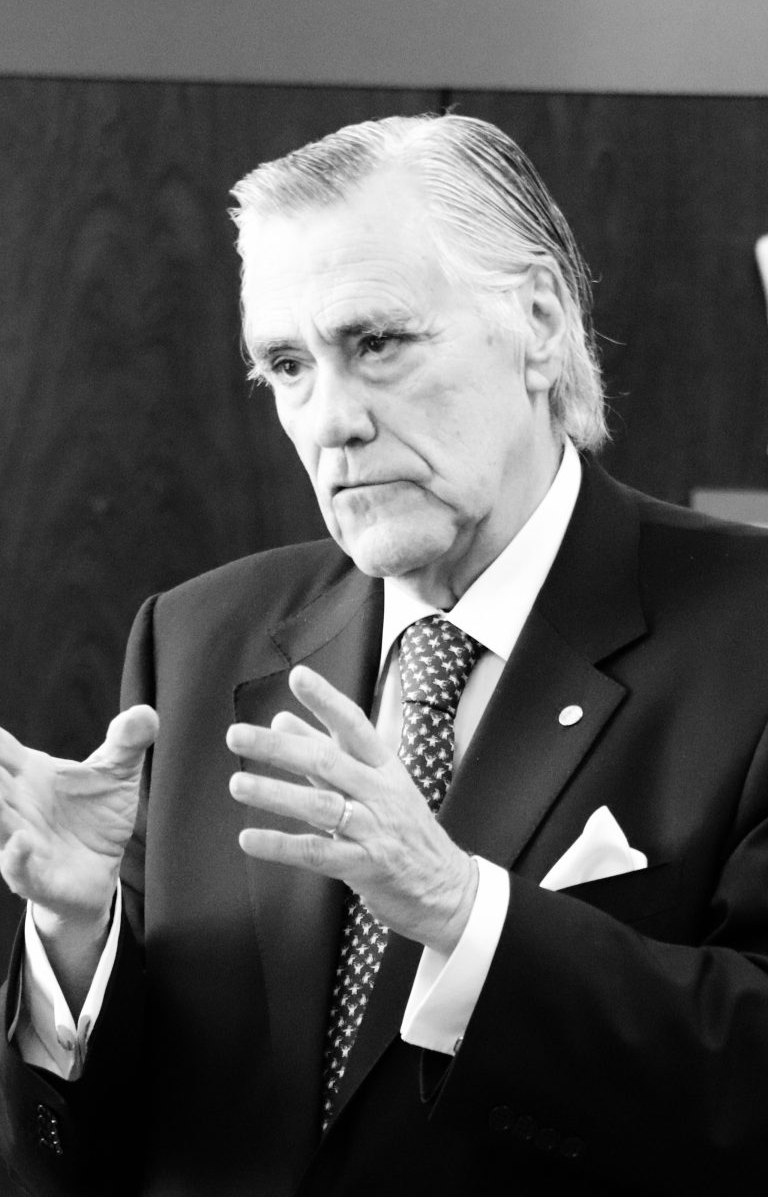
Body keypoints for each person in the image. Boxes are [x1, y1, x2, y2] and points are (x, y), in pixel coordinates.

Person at [1, 113, 768, 1197]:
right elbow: (123, 1139)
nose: (332, 422)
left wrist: (466, 912)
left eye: (376, 343)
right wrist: (76, 939)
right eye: (287, 365)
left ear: (540, 322)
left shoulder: (749, 630)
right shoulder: (196, 637)